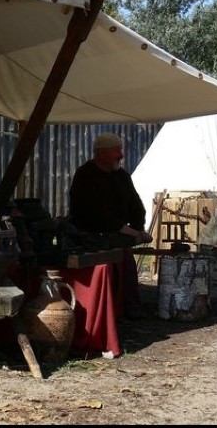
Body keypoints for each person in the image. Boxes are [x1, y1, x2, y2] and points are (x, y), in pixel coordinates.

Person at [69, 132, 152, 319]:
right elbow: (97, 213)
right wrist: (129, 231)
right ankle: (110, 310)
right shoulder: (85, 176)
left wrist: (139, 229)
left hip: (116, 234)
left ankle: (130, 305)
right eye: (117, 151)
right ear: (102, 153)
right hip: (89, 235)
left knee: (127, 264)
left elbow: (136, 206)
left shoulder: (121, 176)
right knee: (116, 264)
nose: (121, 155)